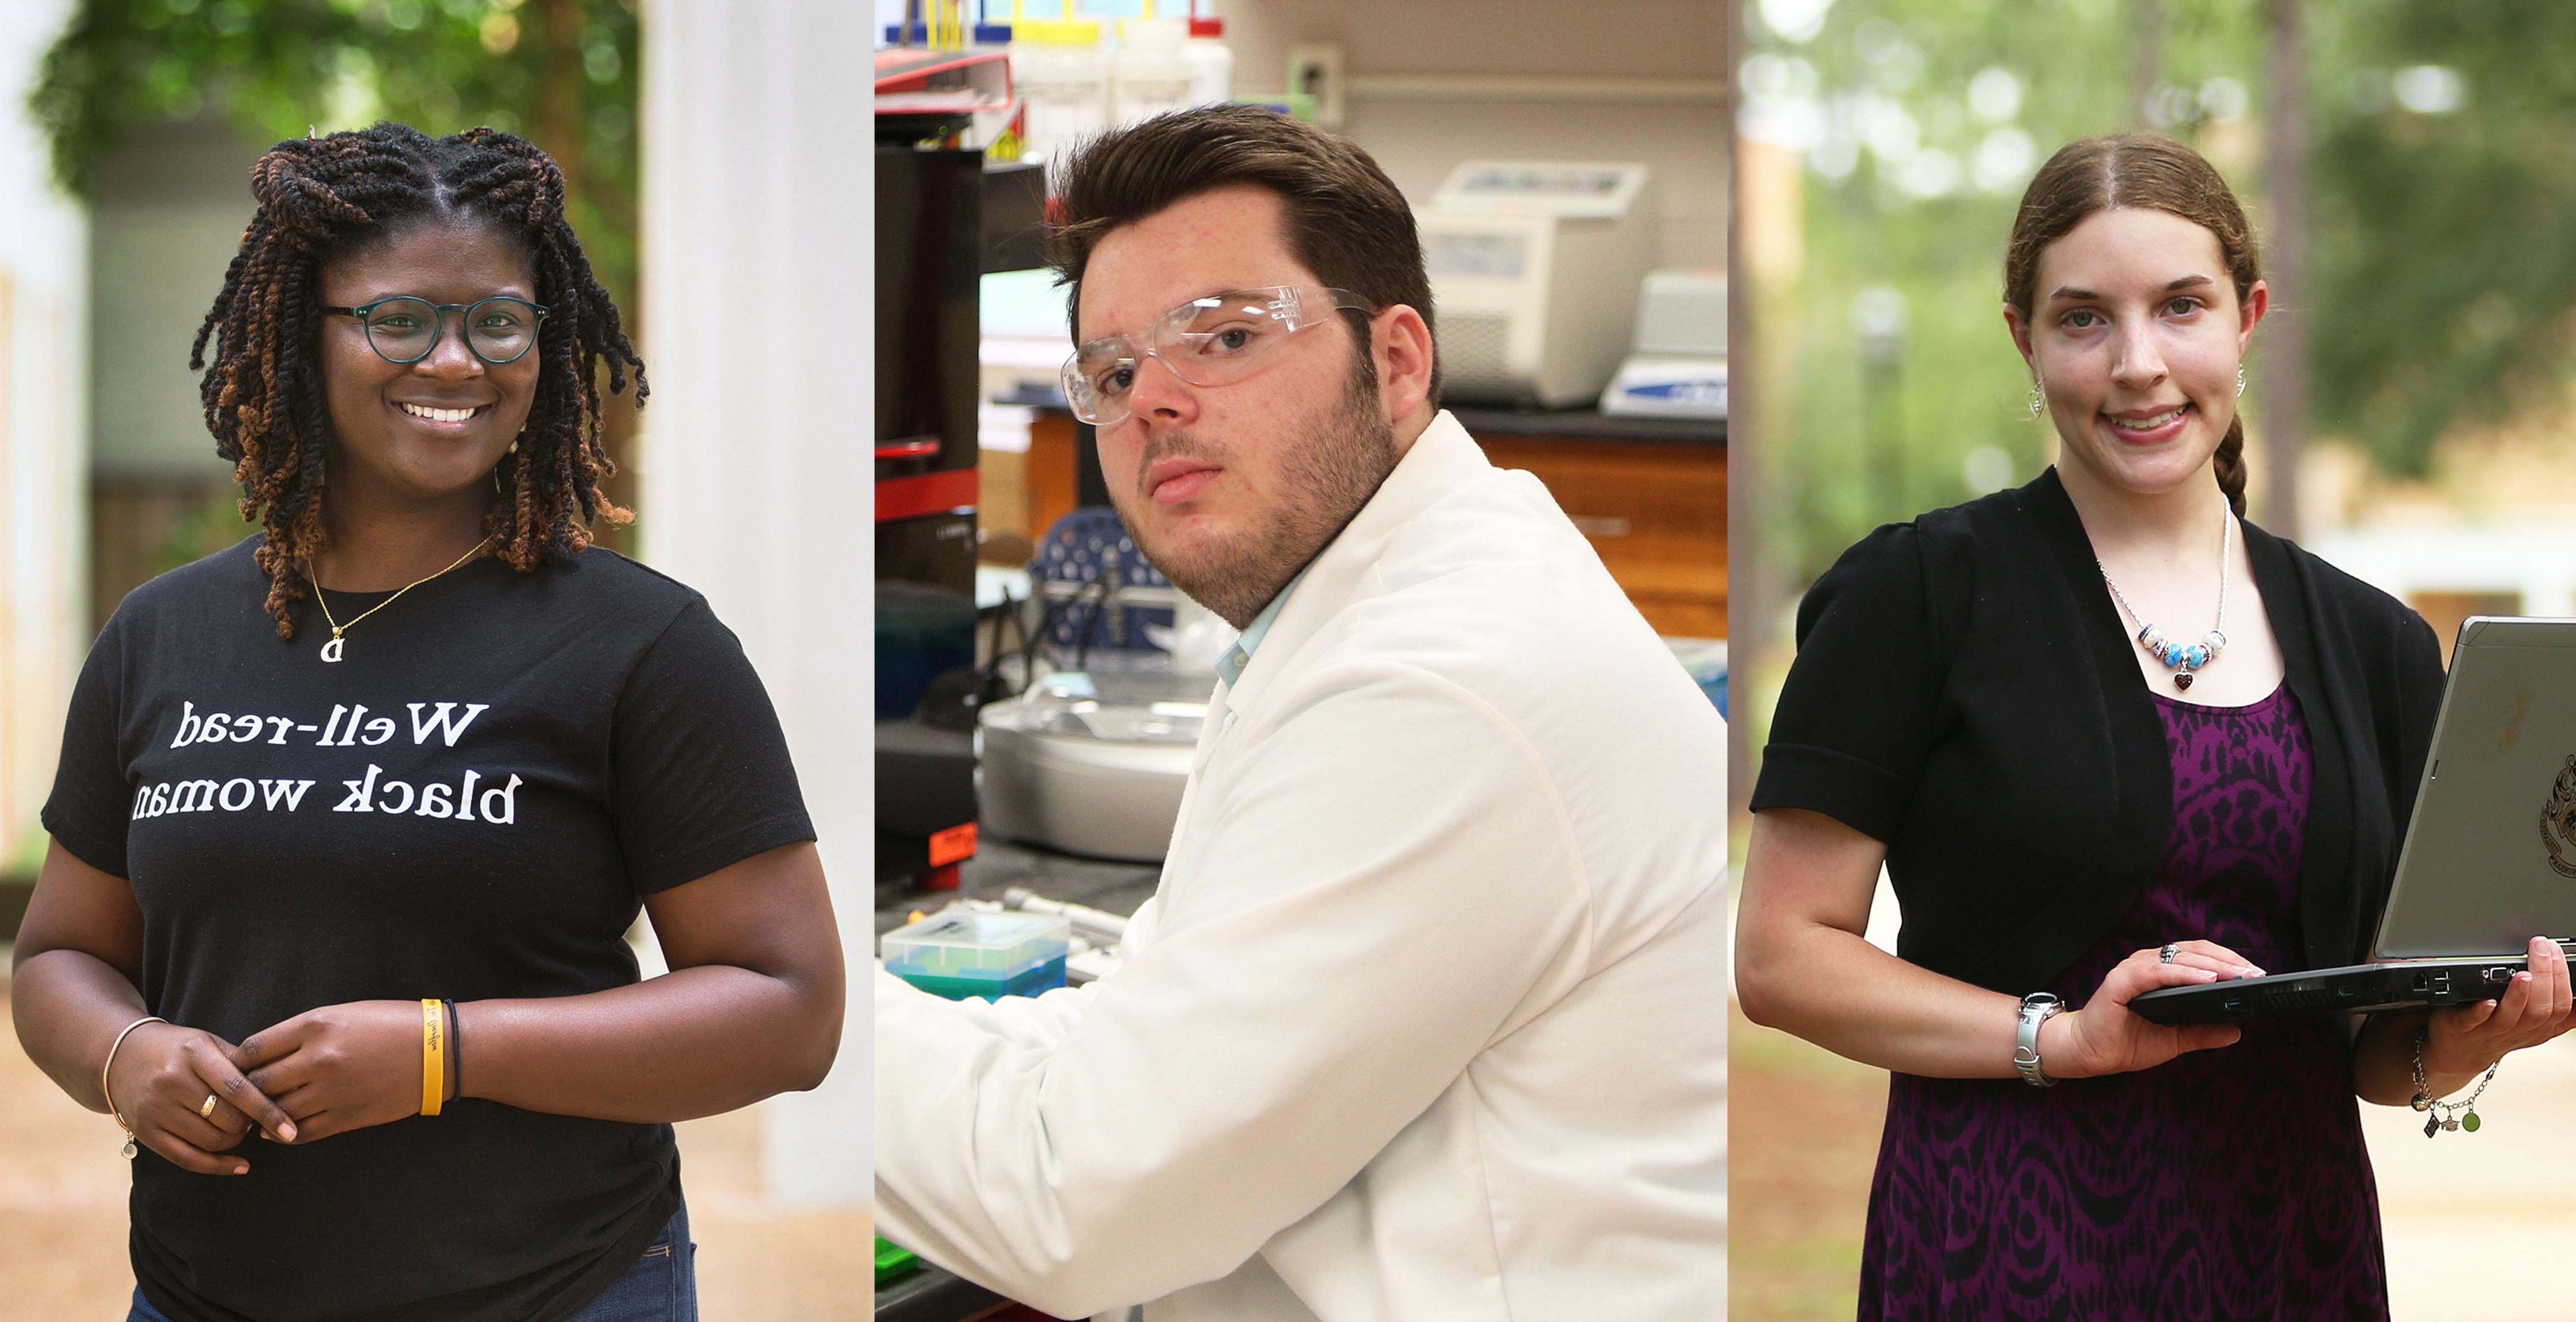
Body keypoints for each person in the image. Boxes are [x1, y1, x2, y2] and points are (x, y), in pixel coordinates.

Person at [873, 105, 1727, 1320]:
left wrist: (767, 991)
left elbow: (1074, 1202)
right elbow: (1144, 1035)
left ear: (1396, 361)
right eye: (1113, 372)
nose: (1154, 400)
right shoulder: (1364, 607)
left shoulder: (1440, 685)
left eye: (1221, 337)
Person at [1735, 132, 2576, 1319]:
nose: (2140, 364)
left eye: (2181, 306)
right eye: (2085, 319)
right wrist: (2059, 1038)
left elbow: (2379, 1055)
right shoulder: (1917, 596)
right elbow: (1780, 959)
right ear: (2026, 340)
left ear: (2248, 315)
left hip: (2290, 1254)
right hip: (2003, 1249)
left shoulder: (2377, 647)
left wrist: (2484, 1036)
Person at [10, 124, 844, 1322]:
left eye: (499, 322)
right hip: (206, 1297)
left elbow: (791, 1007)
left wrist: (446, 1053)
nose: (457, 361)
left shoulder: (642, 646)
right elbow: (58, 956)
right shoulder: (163, 635)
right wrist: (123, 1053)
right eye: (399, 319)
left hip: (555, 1291)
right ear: (306, 329)